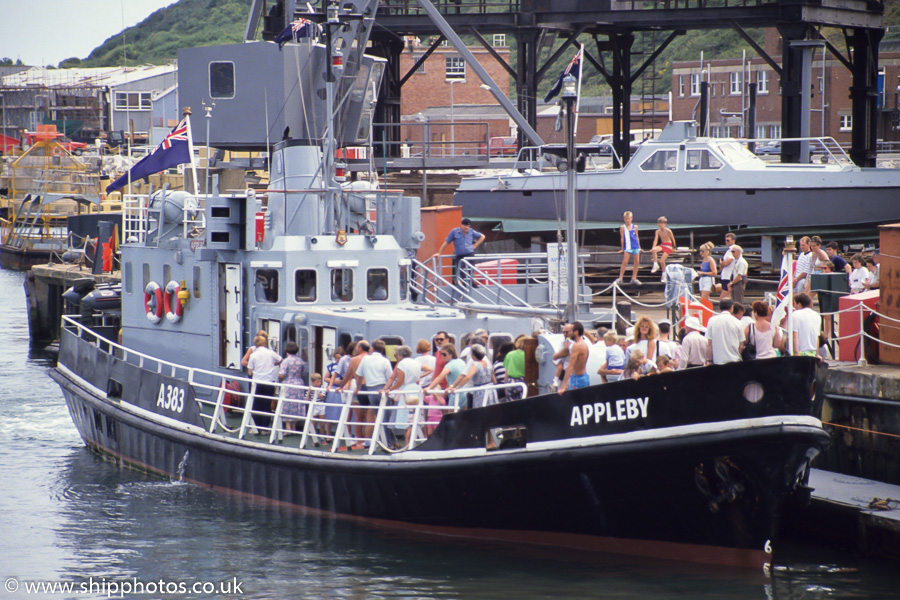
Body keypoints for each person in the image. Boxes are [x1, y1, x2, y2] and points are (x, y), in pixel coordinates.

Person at [384, 345, 421, 449]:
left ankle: (407, 445)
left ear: (400, 355)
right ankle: (414, 443)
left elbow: (399, 381)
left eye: (395, 354)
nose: (395, 356)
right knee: (414, 417)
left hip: (406, 391)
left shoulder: (402, 364)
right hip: (415, 389)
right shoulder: (416, 363)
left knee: (406, 420)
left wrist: (389, 389)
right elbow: (428, 369)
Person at [432, 217, 485, 286]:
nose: (466, 227)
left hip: (469, 253)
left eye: (468, 226)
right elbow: (446, 242)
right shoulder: (454, 232)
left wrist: (475, 245)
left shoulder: (471, 232)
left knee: (471, 268)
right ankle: (466, 283)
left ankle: (470, 283)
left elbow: (482, 237)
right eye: (465, 225)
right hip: (460, 255)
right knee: (462, 269)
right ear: (461, 225)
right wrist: (439, 253)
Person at [246, 334, 283, 430]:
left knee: (257, 404)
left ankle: (256, 426)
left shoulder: (253, 355)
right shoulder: (270, 353)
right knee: (267, 404)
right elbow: (281, 360)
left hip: (257, 383)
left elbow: (250, 371)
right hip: (269, 382)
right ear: (265, 343)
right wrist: (273, 364)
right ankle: (265, 427)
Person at [447, 344, 492, 409]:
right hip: (490, 389)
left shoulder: (476, 365)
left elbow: (467, 377)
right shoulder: (487, 363)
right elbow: (492, 375)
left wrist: (457, 387)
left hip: (480, 391)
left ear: (473, 355)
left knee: (479, 410)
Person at [426, 343, 467, 409]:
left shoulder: (449, 365)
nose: (443, 356)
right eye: (441, 354)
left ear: (451, 354)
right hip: (464, 393)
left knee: (451, 415)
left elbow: (440, 377)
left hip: (455, 394)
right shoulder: (461, 361)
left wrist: (429, 387)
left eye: (444, 354)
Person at [705, 298, 745, 365]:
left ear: (719, 307)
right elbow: (741, 345)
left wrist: (709, 360)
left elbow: (709, 343)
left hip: (718, 361)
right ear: (732, 307)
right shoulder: (738, 322)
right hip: (734, 360)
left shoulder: (712, 320)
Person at [278, 341, 307, 431]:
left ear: (287, 350)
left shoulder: (285, 361)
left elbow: (282, 374)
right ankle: (294, 427)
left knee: (287, 405)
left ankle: (288, 427)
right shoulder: (300, 361)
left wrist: (279, 378)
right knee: (296, 405)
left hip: (288, 384)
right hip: (299, 384)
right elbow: (302, 373)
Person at [558, 322, 589, 394]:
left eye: (570, 330)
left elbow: (570, 366)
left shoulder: (577, 346)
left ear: (576, 332)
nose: (568, 333)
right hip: (584, 376)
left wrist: (563, 386)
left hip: (577, 379)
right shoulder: (584, 344)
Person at [616, 211, 642, 285]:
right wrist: (622, 248)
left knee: (637, 262)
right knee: (625, 262)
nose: (627, 220)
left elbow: (637, 237)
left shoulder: (635, 227)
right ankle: (620, 278)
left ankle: (634, 278)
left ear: (631, 218)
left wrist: (639, 247)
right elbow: (622, 238)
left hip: (635, 246)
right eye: (626, 219)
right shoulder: (622, 227)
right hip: (628, 247)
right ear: (624, 219)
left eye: (629, 218)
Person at [503, 335, 527, 400]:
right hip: (522, 383)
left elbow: (506, 372)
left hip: (510, 382)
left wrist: (505, 385)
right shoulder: (526, 355)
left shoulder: (509, 354)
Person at [719, 232, 737, 299]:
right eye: (725, 240)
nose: (726, 242)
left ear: (733, 240)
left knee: (723, 298)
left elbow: (726, 262)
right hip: (725, 276)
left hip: (728, 277)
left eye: (728, 240)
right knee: (727, 297)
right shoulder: (729, 250)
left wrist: (721, 263)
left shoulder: (733, 250)